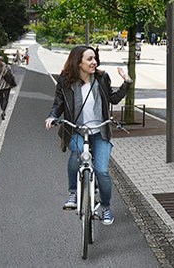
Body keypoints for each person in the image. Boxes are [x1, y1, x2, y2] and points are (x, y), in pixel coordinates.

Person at [45, 46, 132, 226]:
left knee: (101, 171)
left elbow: (113, 99)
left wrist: (127, 83)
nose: (94, 62)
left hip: (100, 130)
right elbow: (58, 104)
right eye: (90, 59)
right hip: (77, 129)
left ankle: (106, 208)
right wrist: (52, 116)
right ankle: (73, 194)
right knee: (76, 155)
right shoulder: (65, 81)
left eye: (95, 59)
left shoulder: (101, 78)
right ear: (78, 62)